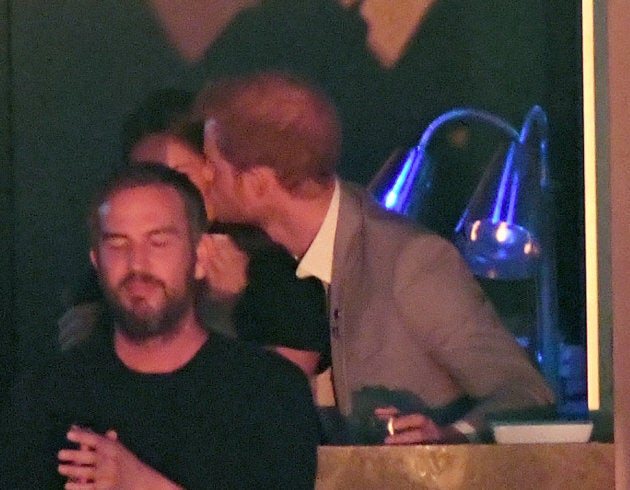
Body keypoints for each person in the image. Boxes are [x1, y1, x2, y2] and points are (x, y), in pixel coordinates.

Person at [190, 70, 557, 444]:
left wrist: (450, 436)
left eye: (211, 162)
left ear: (257, 182)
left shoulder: (409, 261)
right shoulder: (260, 262)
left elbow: (526, 392)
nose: (201, 175)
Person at [1, 164, 319, 489]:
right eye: (118, 244)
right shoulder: (46, 395)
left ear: (200, 256)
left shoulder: (267, 391)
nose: (137, 264)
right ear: (97, 262)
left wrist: (139, 483)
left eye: (159, 242)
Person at [59, 90, 329, 379]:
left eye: (179, 174)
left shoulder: (275, 268)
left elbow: (280, 393)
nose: (162, 194)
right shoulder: (113, 269)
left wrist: (223, 309)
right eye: (147, 176)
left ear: (211, 169)